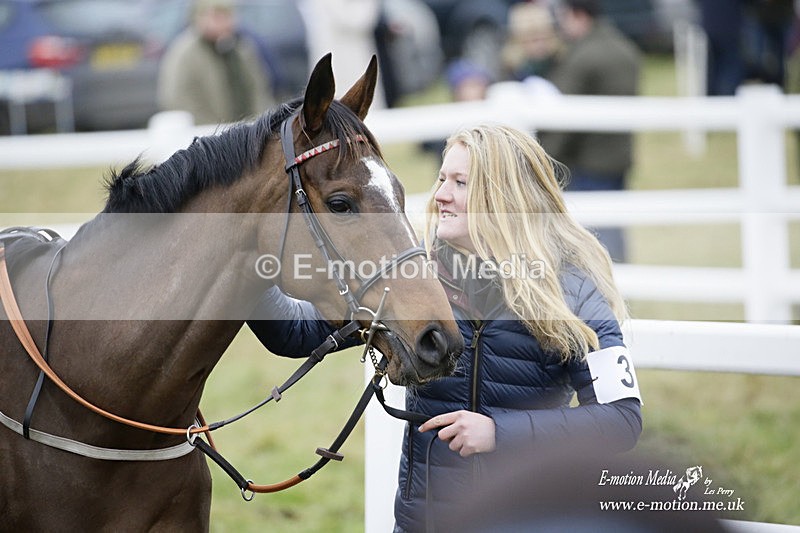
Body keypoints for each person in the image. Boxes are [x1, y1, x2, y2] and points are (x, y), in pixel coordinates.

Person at [248, 123, 642, 532]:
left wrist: (497, 433)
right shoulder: (411, 277)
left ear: (503, 197)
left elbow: (621, 420)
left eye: (460, 182)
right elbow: (293, 333)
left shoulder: (572, 289)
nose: (440, 195)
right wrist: (245, 269)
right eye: (441, 178)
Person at [539, 0, 641, 262]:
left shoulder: (582, 56)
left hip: (586, 162)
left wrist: (541, 157)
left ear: (578, 15)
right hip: (618, 157)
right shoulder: (625, 48)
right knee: (612, 228)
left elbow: (563, 117)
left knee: (590, 236)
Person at [157, 0, 274, 125]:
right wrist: (215, 131)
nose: (223, 22)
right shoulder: (184, 52)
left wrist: (260, 125)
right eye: (216, 16)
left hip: (247, 132)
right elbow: (176, 99)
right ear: (199, 17)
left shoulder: (242, 48)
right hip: (207, 134)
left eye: (227, 16)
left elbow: (259, 90)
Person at [500, 1, 562, 83]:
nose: (540, 45)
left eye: (544, 39)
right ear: (518, 42)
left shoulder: (560, 62)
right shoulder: (510, 69)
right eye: (533, 41)